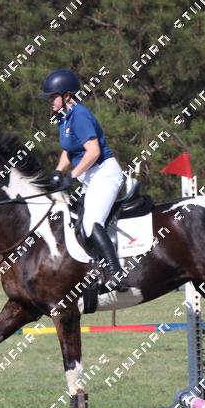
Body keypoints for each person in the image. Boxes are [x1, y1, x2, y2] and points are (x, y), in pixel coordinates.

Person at [40, 69, 127, 291]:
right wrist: (58, 171)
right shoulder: (63, 117)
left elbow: (93, 151)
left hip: (104, 174)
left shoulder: (79, 115)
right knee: (75, 220)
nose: (50, 101)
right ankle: (92, 270)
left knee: (90, 223)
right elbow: (68, 149)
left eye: (53, 96)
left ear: (67, 96)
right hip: (90, 177)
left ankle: (116, 273)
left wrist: (72, 175)